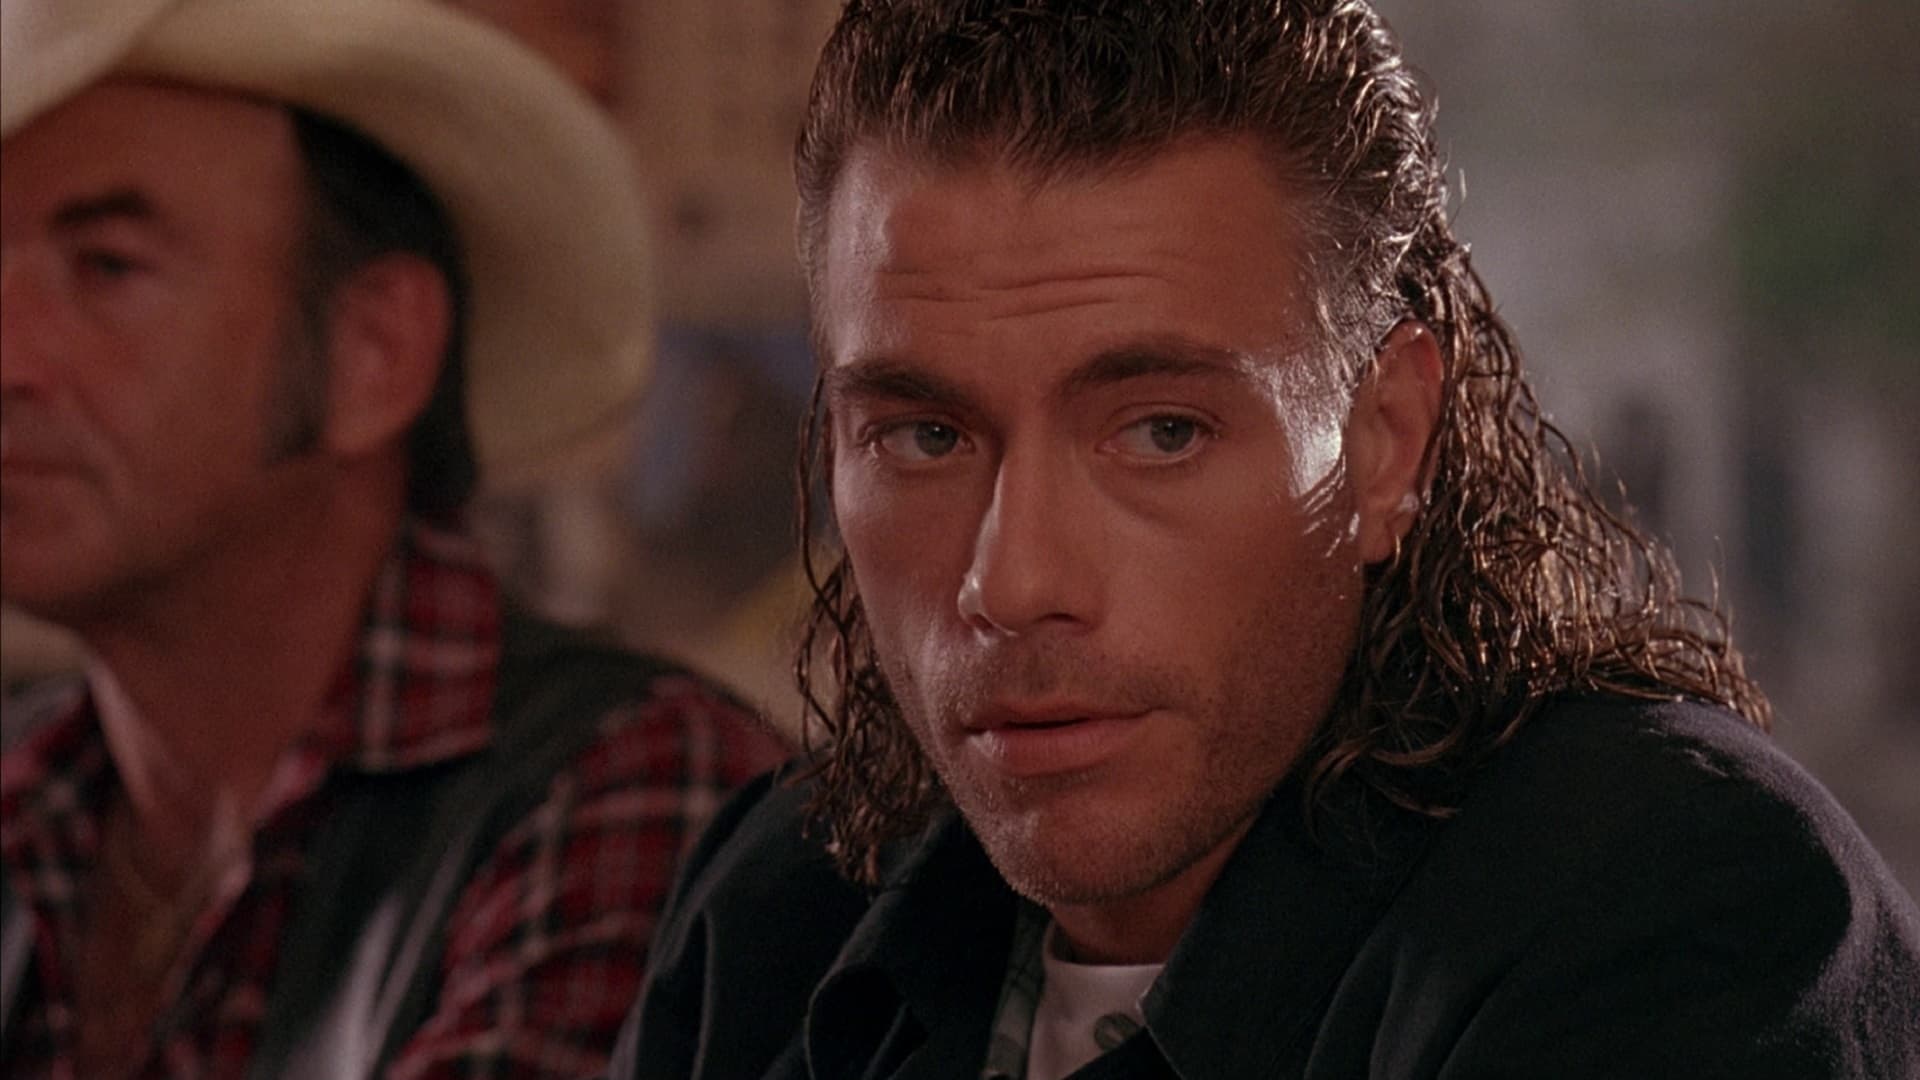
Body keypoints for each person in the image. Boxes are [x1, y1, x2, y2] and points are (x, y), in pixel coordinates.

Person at [610, 2, 1920, 1077]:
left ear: (1386, 442)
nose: (1012, 581)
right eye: (926, 437)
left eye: (1162, 431)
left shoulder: (1671, 907)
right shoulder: (780, 912)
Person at [0, 0, 788, 1076]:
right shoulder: (34, 787)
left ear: (374, 353)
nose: (11, 356)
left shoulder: (631, 784)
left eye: (108, 267)